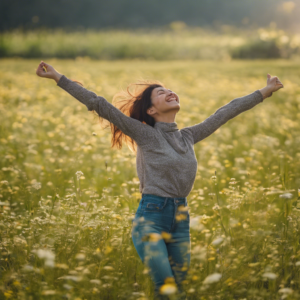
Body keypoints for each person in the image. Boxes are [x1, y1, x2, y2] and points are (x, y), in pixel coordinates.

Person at [36, 61, 284, 299]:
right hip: (151, 220)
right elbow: (98, 104)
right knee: (167, 288)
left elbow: (226, 111)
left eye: (170, 90)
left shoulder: (188, 137)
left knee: (180, 290)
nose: (170, 92)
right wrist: (59, 77)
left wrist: (265, 91)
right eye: (161, 93)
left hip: (180, 219)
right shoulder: (145, 134)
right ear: (151, 110)